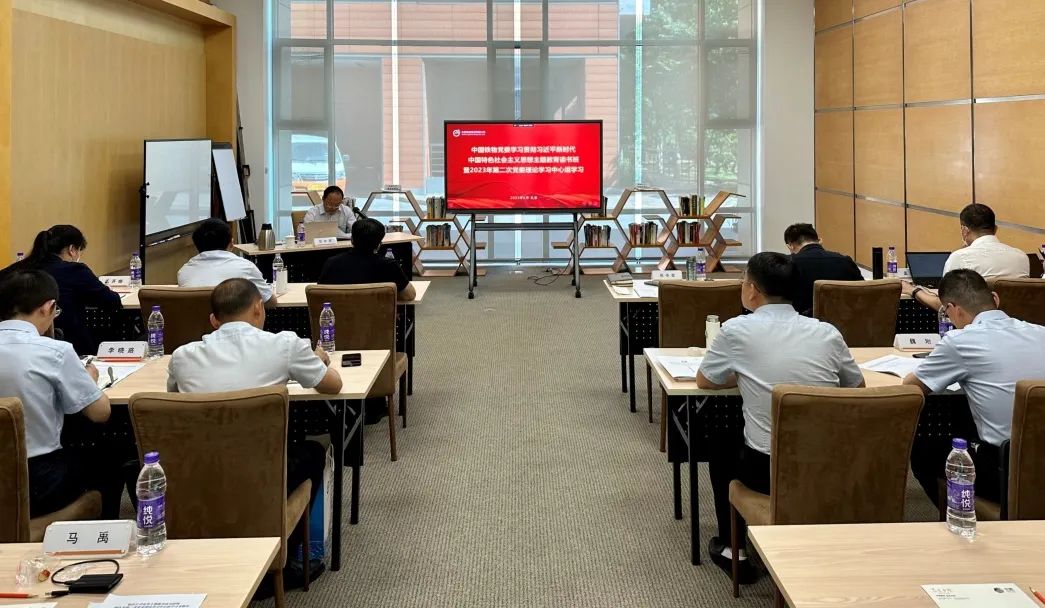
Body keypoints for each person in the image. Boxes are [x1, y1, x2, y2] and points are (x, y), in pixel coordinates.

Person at [696, 252, 865, 582]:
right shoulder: (827, 332)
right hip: (832, 464)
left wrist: (744, 376)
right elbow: (855, 386)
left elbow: (706, 381)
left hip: (767, 470)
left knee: (721, 442)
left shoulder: (736, 330)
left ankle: (734, 549)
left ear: (752, 290)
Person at [166, 278, 341, 586]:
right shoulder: (285, 345)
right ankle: (282, 563)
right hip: (262, 473)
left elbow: (174, 401)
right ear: (259, 308)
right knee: (313, 453)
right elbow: (333, 385)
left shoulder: (182, 357)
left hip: (199, 474)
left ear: (214, 320)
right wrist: (318, 360)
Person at [902, 269, 1045, 507]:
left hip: (1007, 469)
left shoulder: (959, 341)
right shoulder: (1041, 332)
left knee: (922, 451)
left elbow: (910, 388)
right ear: (995, 299)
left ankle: (963, 514)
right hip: (1037, 459)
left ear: (953, 309)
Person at [0, 270, 128, 518]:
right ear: (48, 307)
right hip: (38, 478)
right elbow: (100, 413)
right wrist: (89, 380)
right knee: (110, 461)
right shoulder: (55, 351)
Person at [0, 225, 122, 356]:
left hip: (10, 346)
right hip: (71, 346)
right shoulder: (75, 271)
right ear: (72, 249)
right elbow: (112, 300)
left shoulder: (13, 270)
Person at [903, 203, 1029, 311]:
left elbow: (944, 306)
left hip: (975, 328)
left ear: (964, 230)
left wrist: (912, 290)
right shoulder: (1021, 257)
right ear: (995, 229)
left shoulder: (960, 258)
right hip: (1018, 328)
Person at [178, 218, 277, 306]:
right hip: (235, 322)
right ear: (231, 243)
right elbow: (270, 302)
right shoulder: (246, 268)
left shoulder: (184, 272)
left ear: (197, 245)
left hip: (196, 321)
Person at [318, 217, 416, 302]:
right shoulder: (389, 265)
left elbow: (319, 295)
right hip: (377, 317)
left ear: (352, 240)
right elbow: (409, 295)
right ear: (379, 244)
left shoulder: (332, 263)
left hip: (339, 317)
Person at [784, 223, 863, 316]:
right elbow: (863, 292)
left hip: (802, 322)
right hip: (843, 320)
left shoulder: (788, 264)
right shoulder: (845, 261)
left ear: (790, 246)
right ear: (819, 241)